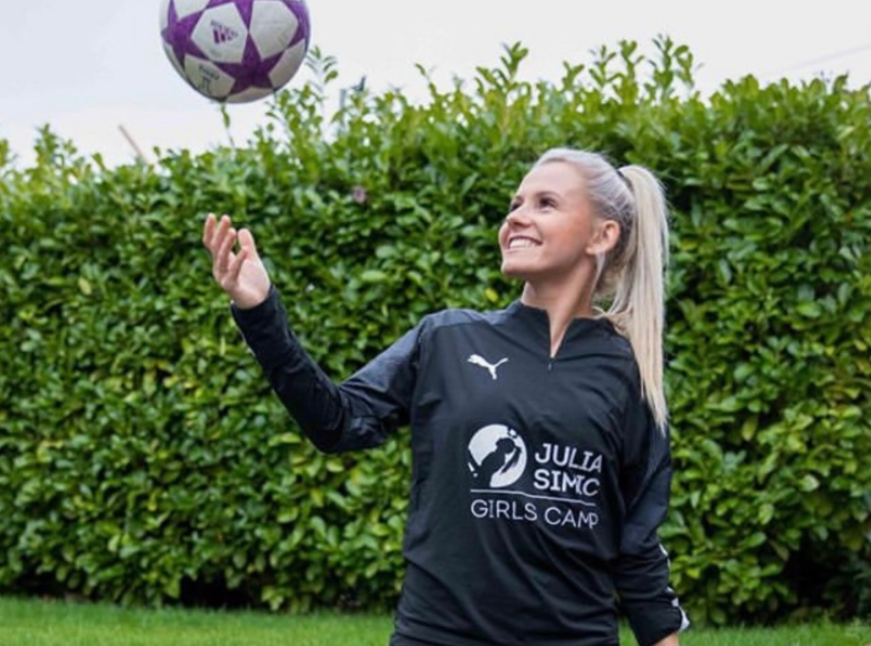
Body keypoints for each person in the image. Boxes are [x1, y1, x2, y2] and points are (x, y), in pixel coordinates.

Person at [202, 147, 689, 646]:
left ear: (601, 235)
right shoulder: (447, 339)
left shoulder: (629, 370)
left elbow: (636, 542)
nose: (517, 217)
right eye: (515, 204)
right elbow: (338, 423)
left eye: (545, 203)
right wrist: (260, 312)